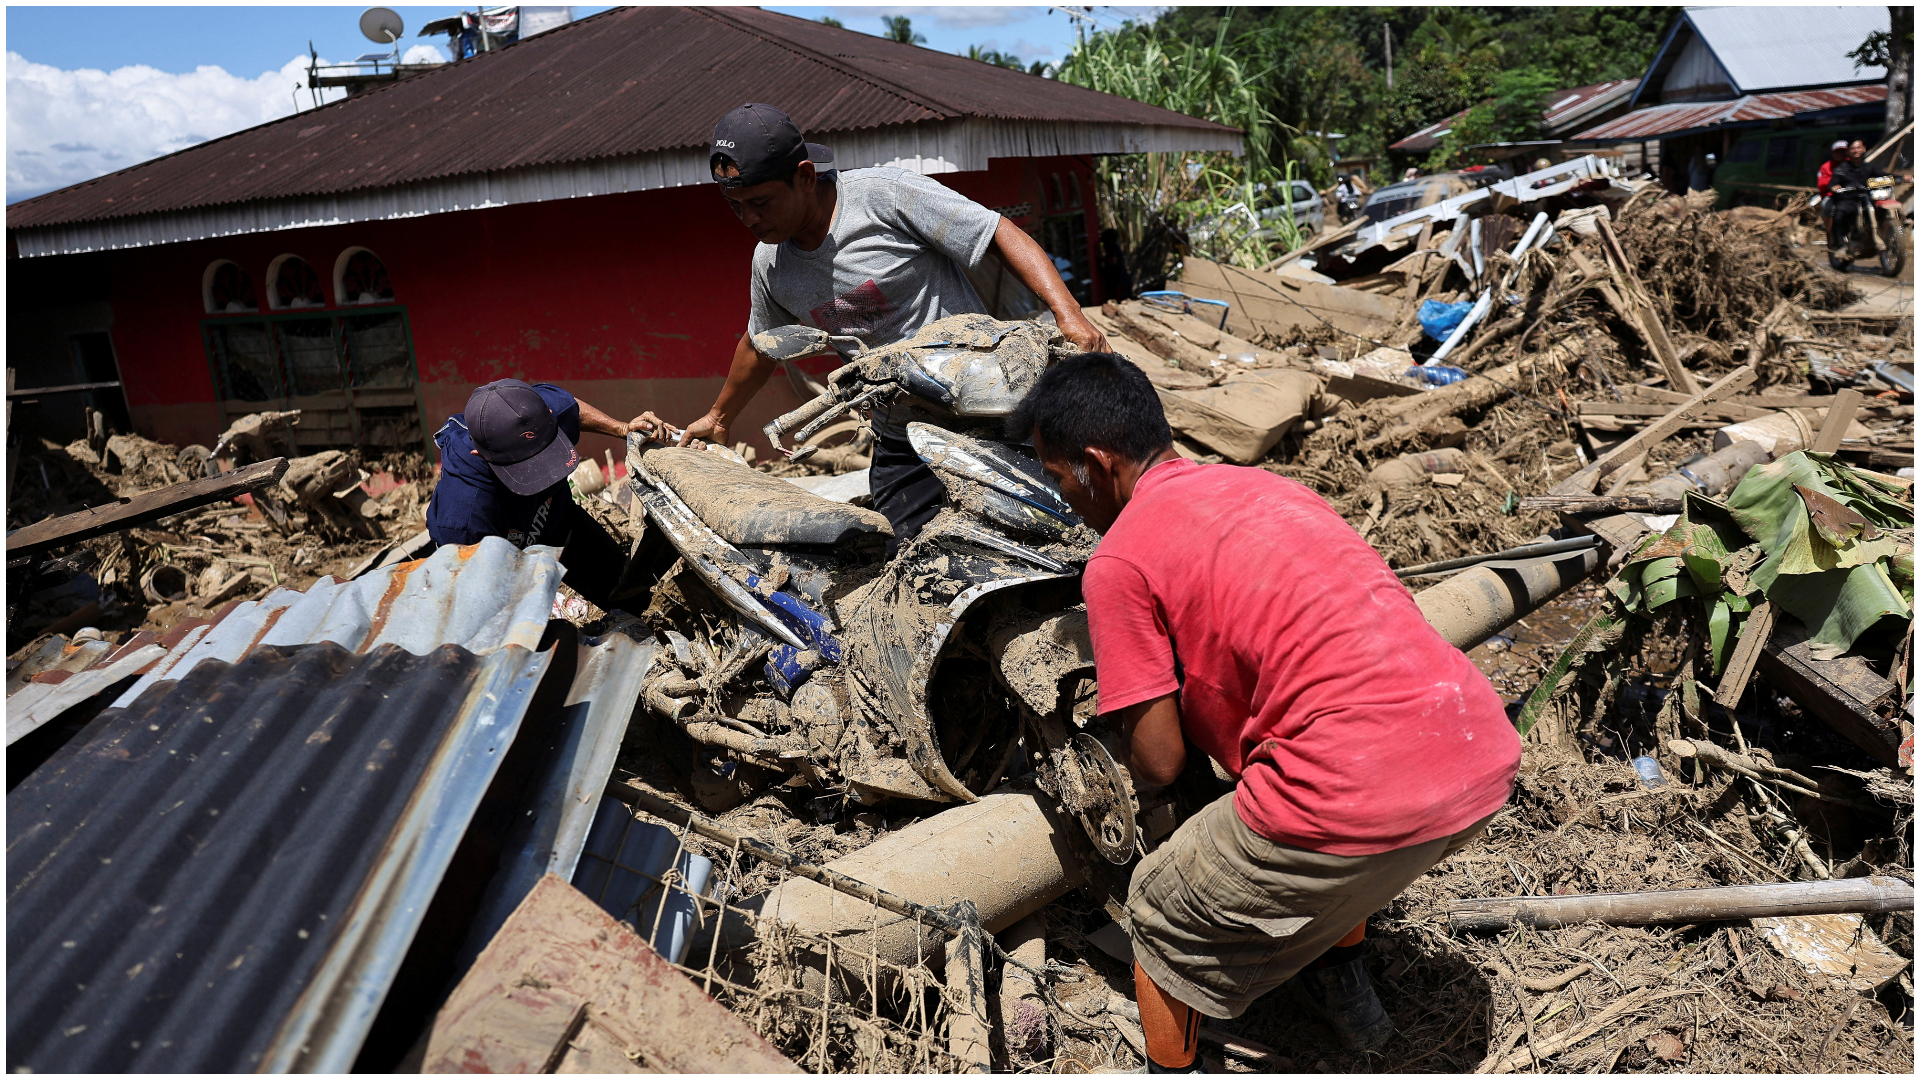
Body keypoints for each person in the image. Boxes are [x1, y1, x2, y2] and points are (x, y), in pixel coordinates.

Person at [1007, 353, 1521, 1070]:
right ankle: (1348, 999)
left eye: (1060, 479)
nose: (1065, 499)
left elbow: (1159, 761)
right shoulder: (1272, 491)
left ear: (1097, 463)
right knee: (1331, 827)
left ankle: (1171, 1068)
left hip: (1359, 797)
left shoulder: (1118, 562)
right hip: (1478, 754)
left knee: (1157, 909)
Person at [638, 102, 1108, 553]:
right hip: (902, 434)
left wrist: (1068, 314)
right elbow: (761, 345)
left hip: (989, 414)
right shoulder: (772, 265)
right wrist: (719, 419)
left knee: (1057, 535)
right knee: (916, 567)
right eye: (736, 206)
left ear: (804, 176)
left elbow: (997, 232)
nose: (749, 219)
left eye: (760, 202)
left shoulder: (886, 197)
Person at [427, 379, 647, 610]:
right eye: (527, 469)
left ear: (550, 417)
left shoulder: (535, 413)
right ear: (480, 456)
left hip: (561, 523)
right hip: (500, 566)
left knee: (633, 601)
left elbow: (570, 407)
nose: (545, 478)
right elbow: (483, 605)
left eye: (545, 456)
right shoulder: (464, 521)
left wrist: (622, 429)